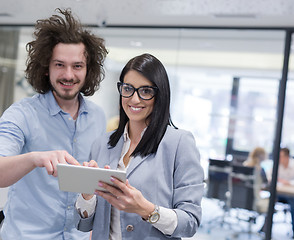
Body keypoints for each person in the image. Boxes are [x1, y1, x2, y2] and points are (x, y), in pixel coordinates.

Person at [0, 8, 108, 239]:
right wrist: (35, 158)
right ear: (46, 68)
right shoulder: (22, 114)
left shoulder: (98, 117)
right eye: (59, 65)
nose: (68, 75)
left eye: (77, 66)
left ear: (88, 70)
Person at [75, 53, 204, 239]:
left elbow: (190, 223)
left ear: (159, 95)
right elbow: (84, 223)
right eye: (128, 88)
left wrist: (146, 209)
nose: (134, 99)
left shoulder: (179, 143)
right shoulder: (102, 144)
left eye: (145, 91)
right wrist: (87, 195)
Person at [268, 147, 294, 239]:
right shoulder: (277, 164)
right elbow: (269, 176)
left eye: (281, 156)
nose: (279, 158)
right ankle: (266, 227)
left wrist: (289, 183)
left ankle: (293, 230)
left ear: (287, 156)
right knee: (271, 200)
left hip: (292, 195)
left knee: (293, 203)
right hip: (280, 193)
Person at [243, 146, 269, 213]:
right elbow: (266, 183)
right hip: (255, 199)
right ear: (262, 156)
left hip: (242, 199)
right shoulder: (260, 170)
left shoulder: (244, 166)